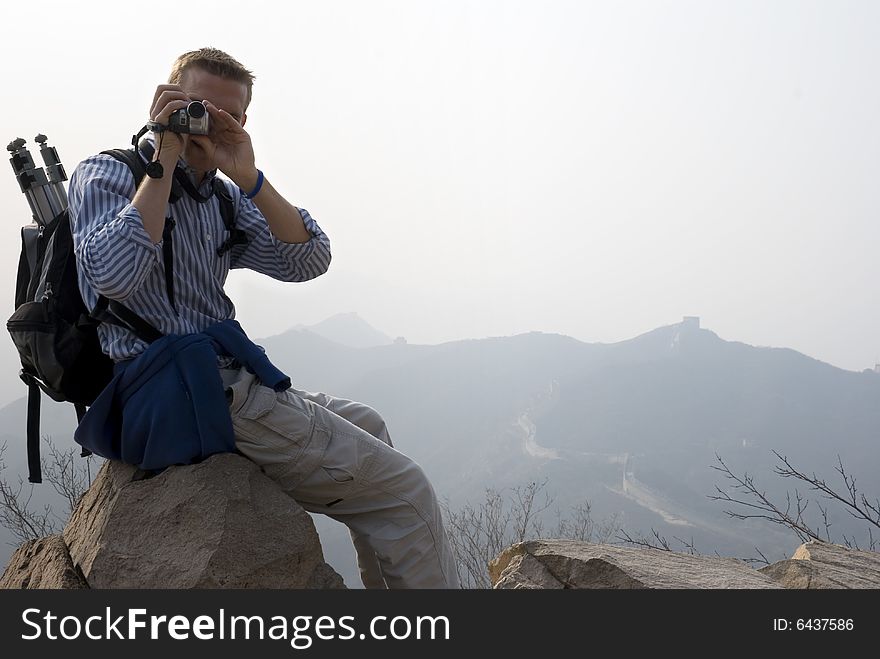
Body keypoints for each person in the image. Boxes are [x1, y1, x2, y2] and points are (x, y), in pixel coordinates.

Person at [67, 47, 459, 589]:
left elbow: (309, 259)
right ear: (168, 101)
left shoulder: (222, 197)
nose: (209, 122)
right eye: (197, 106)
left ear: (243, 121)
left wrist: (249, 176)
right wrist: (163, 156)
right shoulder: (109, 174)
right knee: (408, 491)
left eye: (227, 114)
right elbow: (113, 277)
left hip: (224, 377)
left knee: (371, 425)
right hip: (174, 390)